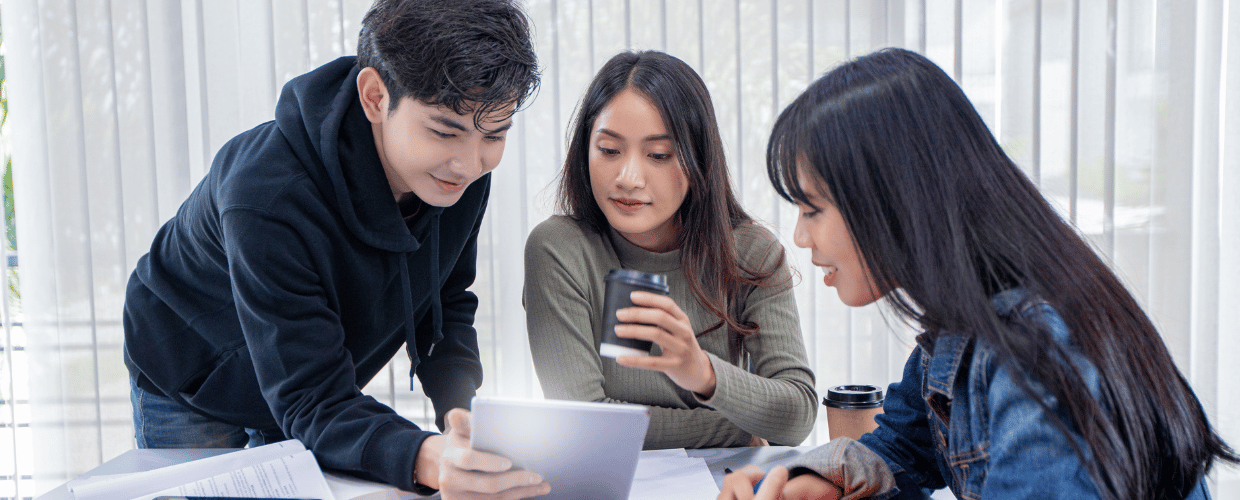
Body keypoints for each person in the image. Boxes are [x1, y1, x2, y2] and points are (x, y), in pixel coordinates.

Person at [720, 47, 1240, 499]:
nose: (801, 237)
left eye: (812, 209)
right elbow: (904, 445)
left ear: (894, 201)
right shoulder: (962, 323)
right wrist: (815, 478)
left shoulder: (1034, 356)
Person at [122, 1, 548, 497]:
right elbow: (311, 400)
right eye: (443, 131)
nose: (469, 163)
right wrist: (421, 456)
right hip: (193, 368)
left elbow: (445, 304)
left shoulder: (455, 175)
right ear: (374, 96)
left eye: (494, 135)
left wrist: (461, 418)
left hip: (305, 368)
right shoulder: (266, 196)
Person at [522, 50, 817, 450]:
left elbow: (796, 415)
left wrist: (702, 374)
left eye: (658, 155)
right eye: (609, 150)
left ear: (699, 160)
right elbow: (584, 424)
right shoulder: (559, 249)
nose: (628, 178)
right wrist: (735, 431)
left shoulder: (750, 253)